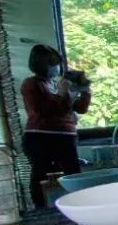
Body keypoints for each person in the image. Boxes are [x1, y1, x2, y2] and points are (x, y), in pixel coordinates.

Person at [21, 44, 92, 207]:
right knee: (41, 175)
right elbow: (43, 110)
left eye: (56, 63)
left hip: (65, 138)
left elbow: (80, 109)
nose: (55, 68)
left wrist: (85, 92)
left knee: (72, 174)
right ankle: (42, 209)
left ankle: (77, 206)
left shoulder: (58, 84)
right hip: (40, 137)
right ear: (40, 64)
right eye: (51, 63)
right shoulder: (31, 84)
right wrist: (61, 93)